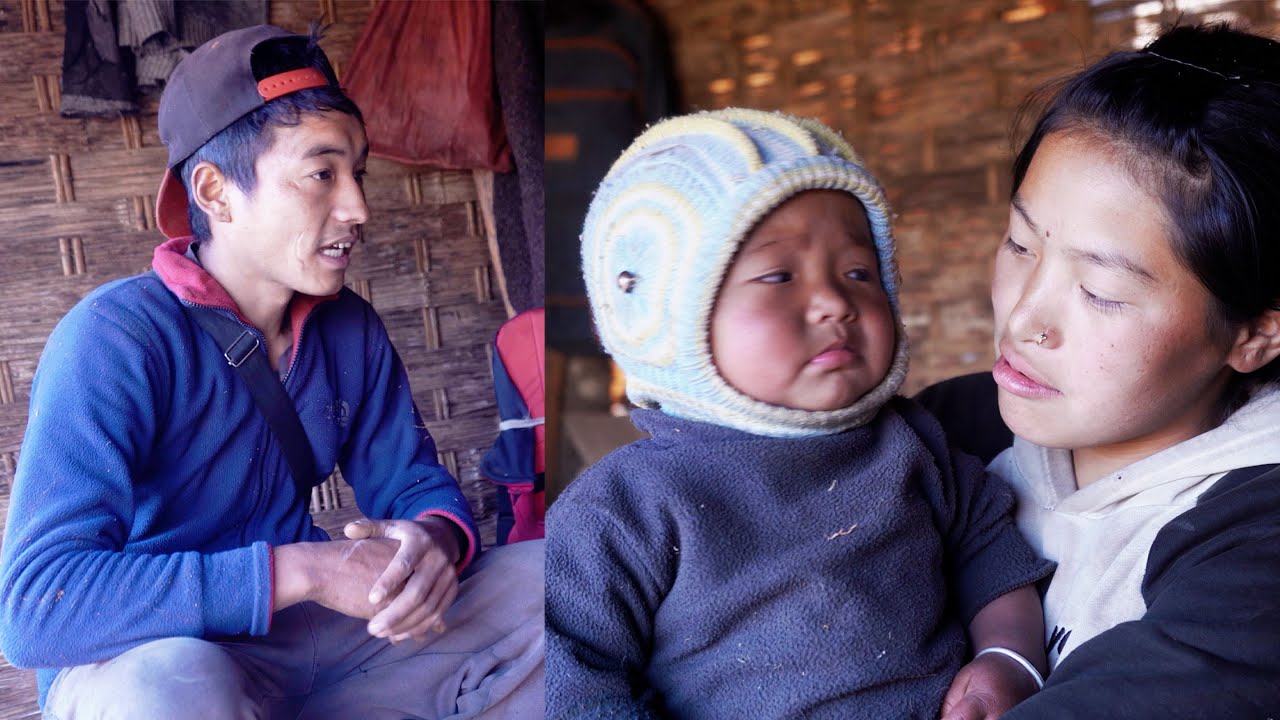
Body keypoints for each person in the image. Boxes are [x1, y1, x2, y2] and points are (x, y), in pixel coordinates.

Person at [0, 25, 544, 719]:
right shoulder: (116, 338)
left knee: (555, 581)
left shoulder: (350, 329)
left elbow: (411, 481)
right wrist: (306, 569)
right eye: (322, 174)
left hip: (305, 645)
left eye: (358, 174)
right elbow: (38, 610)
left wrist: (430, 544)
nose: (357, 208)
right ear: (215, 191)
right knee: (166, 689)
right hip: (151, 658)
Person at [546, 108, 1055, 719]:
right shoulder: (625, 507)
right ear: (672, 318)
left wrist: (1009, 660)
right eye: (779, 275)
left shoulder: (916, 446)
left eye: (859, 272)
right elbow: (570, 673)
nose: (836, 303)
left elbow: (993, 560)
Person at [916, 22, 1280, 718]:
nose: (1024, 320)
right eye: (1020, 245)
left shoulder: (1256, 553)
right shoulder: (940, 432)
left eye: (1101, 292)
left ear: (1258, 332)